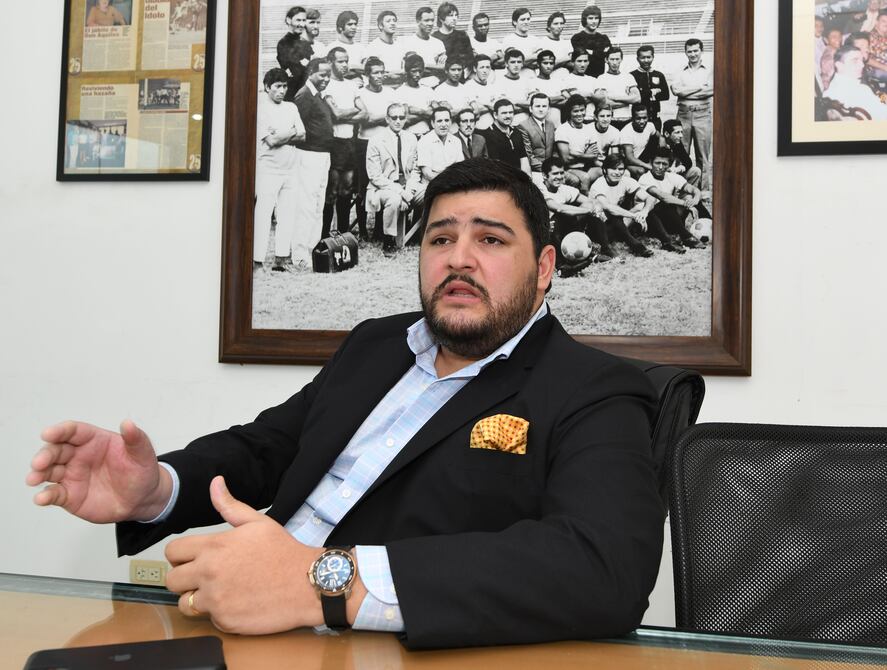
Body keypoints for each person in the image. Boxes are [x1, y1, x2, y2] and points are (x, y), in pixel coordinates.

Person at [28, 158, 664, 650]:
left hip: (365, 648)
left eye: (491, 240)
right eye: (440, 238)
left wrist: (322, 584)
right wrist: (158, 489)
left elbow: (603, 569)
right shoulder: (375, 345)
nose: (459, 259)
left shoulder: (594, 389)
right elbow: (270, 448)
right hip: (239, 626)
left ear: (545, 267)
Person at [253, 69, 306, 273]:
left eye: (284, 86)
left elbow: (303, 135)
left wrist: (283, 134)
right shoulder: (260, 109)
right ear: (267, 87)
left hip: (291, 168)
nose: (282, 90)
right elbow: (271, 141)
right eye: (277, 86)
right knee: (263, 214)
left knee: (287, 214)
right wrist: (292, 132)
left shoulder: (291, 107)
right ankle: (257, 262)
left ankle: (281, 260)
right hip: (268, 169)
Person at [365, 103, 424, 256]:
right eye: (394, 117)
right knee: (394, 199)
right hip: (383, 188)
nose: (398, 121)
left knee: (431, 191)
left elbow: (415, 170)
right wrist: (401, 192)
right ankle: (389, 240)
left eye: (401, 117)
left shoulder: (411, 138)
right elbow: (375, 176)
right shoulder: (376, 140)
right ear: (387, 119)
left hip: (407, 185)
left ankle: (419, 234)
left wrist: (409, 189)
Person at [292, 58, 335, 267]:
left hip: (322, 155)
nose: (326, 79)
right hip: (308, 155)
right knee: (306, 205)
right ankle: (300, 254)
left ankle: (312, 249)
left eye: (329, 75)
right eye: (322, 74)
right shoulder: (304, 95)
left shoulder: (318, 95)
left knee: (318, 205)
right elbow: (297, 128)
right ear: (311, 73)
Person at [540, 156, 613, 276]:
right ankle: (562, 267)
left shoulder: (564, 189)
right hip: (544, 231)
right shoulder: (540, 190)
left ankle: (604, 250)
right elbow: (559, 208)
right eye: (555, 173)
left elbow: (591, 201)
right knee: (561, 216)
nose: (559, 176)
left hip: (563, 230)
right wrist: (587, 211)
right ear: (544, 175)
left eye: (562, 173)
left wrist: (595, 208)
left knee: (587, 213)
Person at [355, 58, 397, 241]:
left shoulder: (390, 93)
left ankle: (380, 229)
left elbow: (396, 117)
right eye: (375, 73)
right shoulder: (360, 94)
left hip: (385, 144)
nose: (380, 76)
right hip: (364, 143)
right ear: (367, 75)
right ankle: (363, 230)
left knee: (384, 184)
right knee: (363, 186)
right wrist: (386, 117)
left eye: (382, 72)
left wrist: (379, 118)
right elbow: (366, 120)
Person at [322, 47, 363, 239]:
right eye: (340, 61)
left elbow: (364, 112)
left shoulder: (352, 85)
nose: (345, 65)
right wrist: (352, 111)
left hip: (350, 142)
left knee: (346, 188)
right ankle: (324, 235)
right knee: (331, 190)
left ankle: (344, 234)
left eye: (346, 61)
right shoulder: (326, 85)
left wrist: (344, 114)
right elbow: (335, 114)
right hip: (333, 142)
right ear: (330, 62)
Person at [638, 148, 708, 251]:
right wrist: (685, 204)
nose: (660, 167)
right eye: (657, 163)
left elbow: (693, 189)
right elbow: (663, 197)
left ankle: (711, 225)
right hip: (651, 223)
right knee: (664, 204)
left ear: (669, 165)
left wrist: (695, 199)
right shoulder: (645, 178)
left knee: (691, 199)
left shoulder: (672, 176)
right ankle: (685, 237)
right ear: (651, 162)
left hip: (670, 219)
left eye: (664, 164)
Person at [590, 154, 657, 258]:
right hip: (599, 229)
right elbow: (609, 208)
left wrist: (644, 212)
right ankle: (634, 246)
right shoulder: (598, 185)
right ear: (605, 170)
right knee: (614, 214)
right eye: (613, 169)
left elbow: (650, 198)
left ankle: (666, 240)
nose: (617, 172)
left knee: (642, 206)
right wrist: (634, 216)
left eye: (620, 169)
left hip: (618, 225)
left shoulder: (625, 180)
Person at [671, 38, 713, 192]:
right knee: (681, 152)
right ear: (685, 52)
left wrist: (686, 91)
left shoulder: (710, 70)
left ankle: (703, 192)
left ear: (701, 51)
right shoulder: (679, 70)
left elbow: (711, 90)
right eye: (689, 51)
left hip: (702, 113)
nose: (693, 54)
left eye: (696, 50)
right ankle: (682, 190)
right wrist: (699, 88)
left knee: (703, 155)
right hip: (683, 114)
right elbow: (676, 91)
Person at [555, 94, 603, 193]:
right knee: (585, 177)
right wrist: (586, 155)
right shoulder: (562, 129)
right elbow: (566, 159)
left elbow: (594, 155)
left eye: (582, 110)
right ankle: (587, 201)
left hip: (586, 167)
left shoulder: (589, 129)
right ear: (569, 112)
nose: (580, 114)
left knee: (606, 172)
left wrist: (576, 154)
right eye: (576, 111)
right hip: (568, 169)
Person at [825, 45, 887, 120]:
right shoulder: (860, 90)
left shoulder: (829, 92)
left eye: (862, 60)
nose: (862, 65)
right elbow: (882, 114)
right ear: (839, 65)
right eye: (855, 61)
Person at [478, 99, 531, 176]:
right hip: (501, 177)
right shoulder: (488, 135)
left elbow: (523, 158)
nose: (508, 116)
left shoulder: (516, 132)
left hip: (518, 176)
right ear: (495, 115)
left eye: (511, 112)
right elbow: (495, 165)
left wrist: (527, 179)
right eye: (504, 113)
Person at [595, 47, 640, 130]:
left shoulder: (628, 77)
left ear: (621, 59)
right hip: (610, 120)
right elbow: (604, 103)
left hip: (627, 119)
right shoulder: (601, 78)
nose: (615, 62)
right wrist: (627, 101)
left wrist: (615, 98)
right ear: (606, 60)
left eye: (617, 59)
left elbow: (637, 99)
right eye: (612, 59)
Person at [416, 107, 463, 182]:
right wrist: (450, 178)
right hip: (432, 184)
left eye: (446, 120)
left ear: (451, 122)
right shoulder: (424, 142)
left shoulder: (456, 141)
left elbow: (460, 169)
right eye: (439, 121)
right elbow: (428, 174)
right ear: (433, 123)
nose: (443, 124)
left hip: (453, 182)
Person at [519, 93, 556, 186]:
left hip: (552, 170)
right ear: (530, 109)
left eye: (544, 106)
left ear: (548, 109)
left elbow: (554, 150)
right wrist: (547, 169)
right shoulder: (523, 126)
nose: (541, 109)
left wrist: (555, 166)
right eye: (537, 106)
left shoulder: (551, 125)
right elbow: (528, 155)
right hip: (535, 170)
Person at [630, 45, 670, 132]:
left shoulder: (659, 75)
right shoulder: (632, 75)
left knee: (655, 139)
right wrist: (651, 92)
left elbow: (666, 95)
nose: (646, 60)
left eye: (648, 57)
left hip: (655, 118)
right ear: (637, 59)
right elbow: (633, 97)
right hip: (638, 119)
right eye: (643, 58)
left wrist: (643, 93)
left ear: (653, 57)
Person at [277, 6, 312, 101]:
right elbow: (295, 70)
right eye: (298, 20)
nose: (302, 24)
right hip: (293, 92)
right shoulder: (283, 43)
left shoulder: (305, 42)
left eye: (304, 20)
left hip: (307, 90)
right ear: (288, 20)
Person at [402, 7, 446, 78]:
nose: (430, 23)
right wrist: (435, 66)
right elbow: (414, 66)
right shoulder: (408, 42)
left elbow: (443, 68)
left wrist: (425, 65)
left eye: (432, 20)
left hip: (435, 81)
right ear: (418, 21)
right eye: (426, 20)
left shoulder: (438, 43)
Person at [398, 53, 436, 137]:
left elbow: (436, 114)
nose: (418, 74)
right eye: (414, 71)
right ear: (407, 71)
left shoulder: (428, 90)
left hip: (427, 134)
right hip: (408, 136)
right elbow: (406, 119)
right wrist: (426, 113)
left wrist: (418, 111)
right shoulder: (400, 92)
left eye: (420, 71)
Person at [619, 104, 660, 179]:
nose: (642, 121)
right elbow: (630, 158)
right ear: (632, 118)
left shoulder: (650, 126)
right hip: (628, 163)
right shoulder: (626, 132)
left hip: (643, 157)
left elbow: (659, 137)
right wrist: (649, 166)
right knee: (641, 171)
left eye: (644, 118)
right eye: (638, 118)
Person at [492, 49, 532, 125]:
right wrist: (525, 106)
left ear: (522, 64)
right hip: (508, 125)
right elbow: (503, 108)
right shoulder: (498, 82)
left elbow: (533, 104)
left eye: (519, 62)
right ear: (506, 64)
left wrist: (515, 102)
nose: (516, 65)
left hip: (527, 124)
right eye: (513, 62)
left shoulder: (527, 81)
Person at [570, 5, 611, 77]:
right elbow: (581, 58)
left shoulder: (604, 38)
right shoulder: (577, 38)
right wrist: (600, 53)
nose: (594, 21)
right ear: (585, 19)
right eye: (590, 18)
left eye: (596, 18)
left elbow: (607, 57)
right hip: (582, 77)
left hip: (599, 77)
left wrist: (591, 52)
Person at [368, 11, 405, 85]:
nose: (392, 23)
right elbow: (373, 72)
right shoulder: (373, 46)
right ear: (380, 26)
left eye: (394, 21)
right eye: (388, 21)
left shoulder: (400, 46)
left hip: (399, 86)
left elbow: (404, 70)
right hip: (382, 87)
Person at [530, 50, 567, 125]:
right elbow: (536, 102)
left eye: (551, 63)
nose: (548, 66)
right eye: (545, 63)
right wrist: (559, 97)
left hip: (557, 124)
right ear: (538, 64)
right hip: (538, 125)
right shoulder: (532, 81)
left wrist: (545, 102)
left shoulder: (558, 81)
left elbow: (567, 100)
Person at [662, 119, 701, 188]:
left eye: (681, 132)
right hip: (658, 177)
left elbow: (688, 162)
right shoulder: (658, 143)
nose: (681, 135)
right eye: (677, 132)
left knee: (696, 171)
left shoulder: (677, 143)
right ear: (666, 134)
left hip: (670, 174)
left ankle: (687, 193)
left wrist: (677, 169)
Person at [432, 2, 473, 68]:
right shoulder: (434, 37)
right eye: (450, 15)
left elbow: (470, 59)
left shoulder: (462, 35)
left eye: (456, 15)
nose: (454, 18)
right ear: (441, 19)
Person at [464, 54, 497, 129]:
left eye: (487, 67)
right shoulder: (468, 87)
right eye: (482, 67)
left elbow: (498, 107)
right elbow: (475, 111)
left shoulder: (492, 86)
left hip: (493, 128)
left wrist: (484, 106)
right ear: (475, 69)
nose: (485, 71)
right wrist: (489, 106)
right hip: (477, 129)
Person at [334, 11, 365, 76]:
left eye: (355, 24)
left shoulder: (361, 48)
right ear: (340, 27)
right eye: (350, 24)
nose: (354, 27)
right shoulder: (332, 47)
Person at [866, 10, 887, 86]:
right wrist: (884, 67)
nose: (886, 24)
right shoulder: (868, 37)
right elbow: (865, 58)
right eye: (883, 21)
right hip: (876, 71)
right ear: (876, 23)